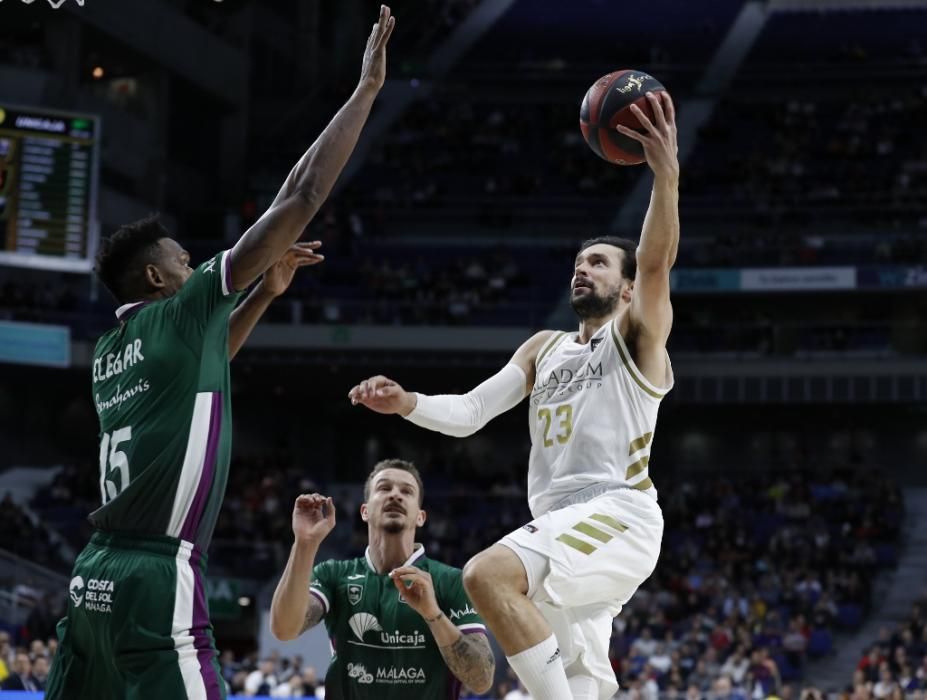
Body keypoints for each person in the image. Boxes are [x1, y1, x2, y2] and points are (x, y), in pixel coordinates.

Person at [44, 7, 396, 699]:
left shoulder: (112, 348)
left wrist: (263, 296)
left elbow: (204, 371)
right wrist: (366, 92)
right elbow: (299, 195)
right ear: (158, 279)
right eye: (183, 259)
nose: (194, 263)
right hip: (153, 574)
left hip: (93, 574)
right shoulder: (183, 307)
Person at [349, 90, 679, 700]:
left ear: (627, 290)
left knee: (486, 575)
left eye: (601, 264)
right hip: (558, 524)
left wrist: (665, 174)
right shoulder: (543, 348)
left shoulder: (635, 342)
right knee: (582, 685)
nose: (583, 269)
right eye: (579, 262)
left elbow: (656, 264)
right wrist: (408, 402)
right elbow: (472, 411)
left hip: (618, 512)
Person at [269, 459, 495, 698]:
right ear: (365, 511)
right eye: (384, 488)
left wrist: (433, 615)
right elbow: (284, 629)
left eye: (406, 491)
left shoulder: (451, 581)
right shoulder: (334, 575)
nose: (395, 495)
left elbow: (481, 680)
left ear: (421, 517)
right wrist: (305, 543)